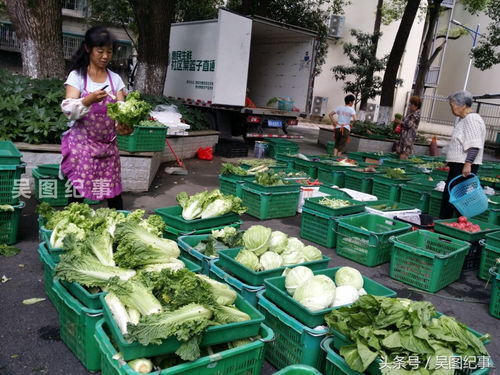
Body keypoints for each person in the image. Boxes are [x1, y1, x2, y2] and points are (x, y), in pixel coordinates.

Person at [60, 26, 128, 210]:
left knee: (114, 195)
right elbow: (69, 110)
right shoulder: (77, 77)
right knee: (77, 196)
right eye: (100, 51)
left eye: (109, 51)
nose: (105, 56)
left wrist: (124, 125)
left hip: (108, 148)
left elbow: (122, 112)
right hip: (81, 147)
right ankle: (70, 227)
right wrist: (88, 100)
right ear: (88, 49)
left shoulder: (115, 80)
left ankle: (121, 227)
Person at [439, 90, 486, 219]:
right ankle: (449, 223)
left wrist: (467, 164)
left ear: (463, 105)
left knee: (458, 198)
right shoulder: (465, 120)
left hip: (463, 167)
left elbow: (474, 144)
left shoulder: (472, 119)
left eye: (453, 104)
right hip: (459, 166)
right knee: (453, 197)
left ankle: (455, 224)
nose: (451, 108)